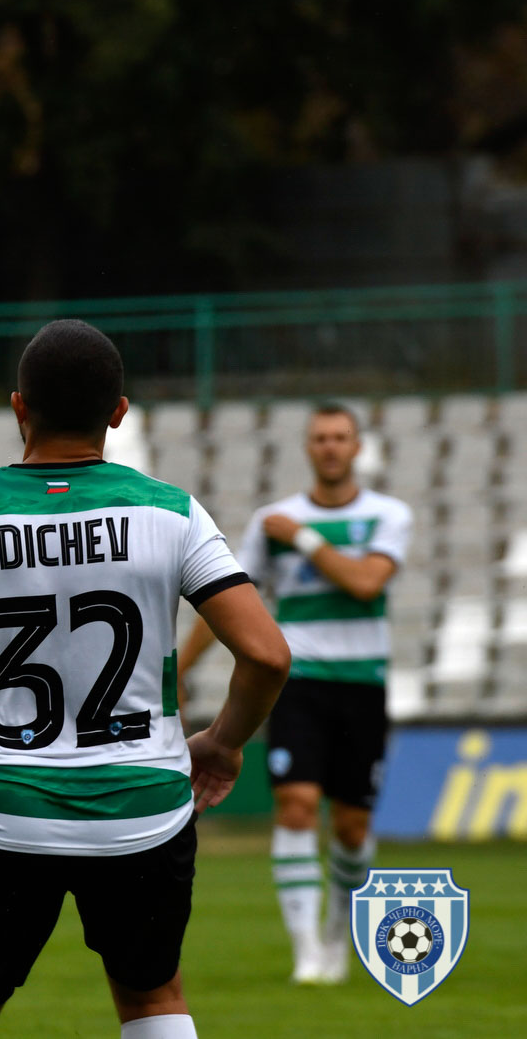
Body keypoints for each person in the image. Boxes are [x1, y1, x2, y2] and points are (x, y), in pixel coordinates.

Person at [0, 319, 291, 1039]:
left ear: (19, 407)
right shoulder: (170, 511)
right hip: (142, 806)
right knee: (154, 998)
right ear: (118, 412)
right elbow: (267, 655)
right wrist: (224, 742)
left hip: (8, 805)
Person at [178, 402, 411, 985]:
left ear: (357, 447)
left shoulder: (386, 516)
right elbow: (229, 598)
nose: (330, 446)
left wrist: (303, 539)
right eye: (320, 438)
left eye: (340, 437)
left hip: (362, 684)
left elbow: (366, 583)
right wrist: (179, 666)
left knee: (352, 826)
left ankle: (337, 933)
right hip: (299, 682)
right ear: (308, 448)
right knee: (297, 805)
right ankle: (307, 949)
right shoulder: (271, 521)